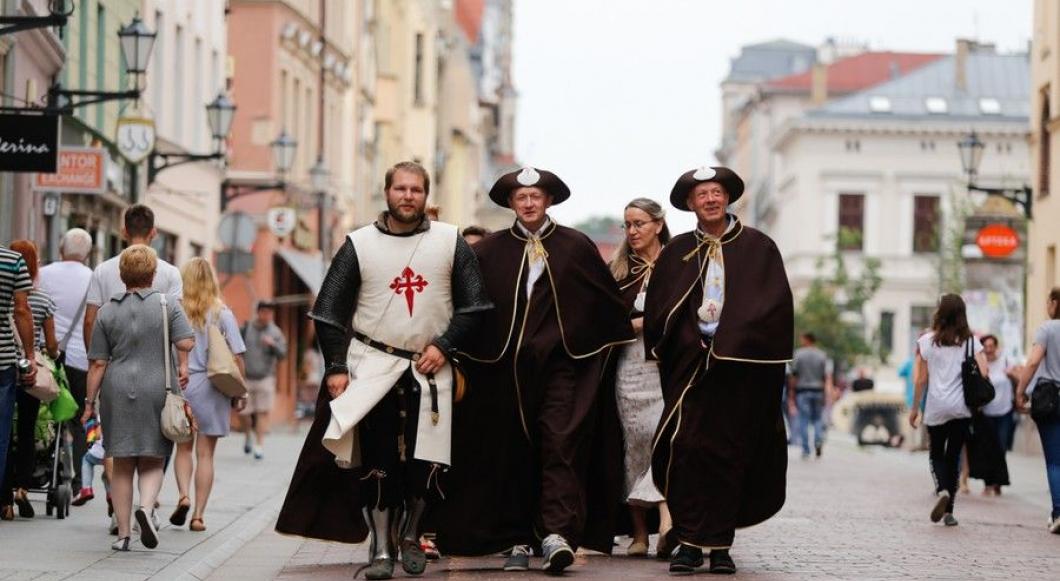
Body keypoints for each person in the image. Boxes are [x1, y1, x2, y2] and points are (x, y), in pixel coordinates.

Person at [275, 161, 491, 581]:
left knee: (428, 458)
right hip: (372, 364)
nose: (408, 196)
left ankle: (411, 533)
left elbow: (476, 306)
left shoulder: (450, 242)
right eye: (400, 189)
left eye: (415, 190)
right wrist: (336, 366)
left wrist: (444, 345)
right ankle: (380, 547)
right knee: (377, 458)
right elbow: (329, 312)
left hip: (430, 365)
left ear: (426, 195)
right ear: (387, 192)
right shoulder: (359, 244)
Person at [435, 166, 634, 574]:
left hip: (563, 368)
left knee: (560, 442)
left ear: (548, 201)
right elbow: (462, 306)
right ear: (511, 203)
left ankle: (557, 533)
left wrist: (588, 348)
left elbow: (606, 303)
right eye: (520, 198)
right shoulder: (487, 251)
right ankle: (517, 538)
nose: (528, 203)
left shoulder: (576, 246)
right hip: (502, 369)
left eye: (535, 196)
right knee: (512, 450)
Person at [644, 166, 793, 575]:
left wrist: (733, 340)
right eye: (702, 195)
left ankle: (720, 544)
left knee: (729, 453)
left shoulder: (759, 248)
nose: (710, 199)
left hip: (739, 374)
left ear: (727, 198)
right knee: (687, 449)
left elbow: (773, 309)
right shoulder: (675, 253)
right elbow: (660, 311)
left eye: (716, 192)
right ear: (690, 204)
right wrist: (690, 340)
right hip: (690, 370)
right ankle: (689, 541)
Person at [81, 245, 195, 551]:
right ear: (154, 274)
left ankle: (123, 535)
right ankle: (145, 508)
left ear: (121, 275)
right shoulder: (167, 304)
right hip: (157, 388)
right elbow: (186, 341)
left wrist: (89, 403)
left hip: (116, 390)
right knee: (152, 458)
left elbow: (97, 363)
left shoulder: (107, 311)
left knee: (121, 464)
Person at [609, 197, 672, 558]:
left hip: (668, 368)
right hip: (630, 368)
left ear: (658, 225)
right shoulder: (618, 270)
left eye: (640, 224)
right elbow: (606, 323)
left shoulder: (679, 263)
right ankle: (638, 535)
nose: (633, 231)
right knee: (634, 447)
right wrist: (643, 323)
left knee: (665, 440)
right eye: (628, 225)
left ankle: (667, 521)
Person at [170, 258, 247, 533]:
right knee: (206, 455)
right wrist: (241, 391)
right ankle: (199, 516)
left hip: (182, 384)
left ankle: (183, 496)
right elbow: (237, 356)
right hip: (213, 388)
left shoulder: (176, 311)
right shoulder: (222, 313)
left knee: (183, 448)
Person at [908, 293, 988, 528]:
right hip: (961, 407)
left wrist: (914, 409)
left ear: (939, 313)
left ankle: (941, 487)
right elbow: (983, 373)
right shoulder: (971, 342)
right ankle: (949, 510)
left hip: (936, 407)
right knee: (954, 457)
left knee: (936, 453)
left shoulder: (927, 341)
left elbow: (921, 379)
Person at [1, 241, 58, 520]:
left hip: (9, 363)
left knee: (6, 432)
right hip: (19, 366)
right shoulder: (40, 296)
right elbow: (48, 339)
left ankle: (6, 497)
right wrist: (38, 355)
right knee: (21, 430)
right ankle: (20, 488)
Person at [38, 228, 94, 499]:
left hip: (45, 358)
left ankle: (41, 466)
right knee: (79, 421)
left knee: (41, 416)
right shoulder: (94, 279)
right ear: (88, 254)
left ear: (61, 250)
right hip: (81, 360)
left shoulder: (44, 273)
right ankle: (81, 482)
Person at [1015, 288, 1060, 534]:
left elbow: (1033, 361)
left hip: (1052, 399)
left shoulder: (1048, 328)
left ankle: (1059, 512)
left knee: (1055, 461)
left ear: (1054, 303)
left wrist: (1020, 390)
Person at [0, 242, 37, 520]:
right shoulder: (13, 261)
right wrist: (30, 355)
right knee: (1, 436)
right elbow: (22, 311)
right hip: (2, 361)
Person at [239, 301, 287, 459]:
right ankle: (248, 436)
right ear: (258, 312)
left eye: (269, 313)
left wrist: (273, 345)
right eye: (264, 312)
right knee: (244, 413)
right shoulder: (246, 329)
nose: (267, 316)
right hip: (246, 378)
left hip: (266, 378)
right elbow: (236, 349)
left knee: (262, 412)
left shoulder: (275, 332)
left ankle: (259, 445)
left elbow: (283, 354)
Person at [974, 334, 1017, 496]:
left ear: (996, 347)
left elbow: (1019, 378)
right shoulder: (980, 364)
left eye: (992, 346)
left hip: (1005, 412)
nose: (989, 349)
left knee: (1001, 447)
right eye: (986, 346)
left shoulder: (1005, 361)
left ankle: (998, 480)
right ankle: (989, 483)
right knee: (987, 449)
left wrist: (1011, 374)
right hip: (986, 413)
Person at [788, 333, 834, 459]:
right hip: (818, 390)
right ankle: (818, 441)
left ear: (807, 340)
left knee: (803, 419)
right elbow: (826, 377)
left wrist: (791, 393)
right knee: (817, 419)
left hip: (803, 390)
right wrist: (826, 393)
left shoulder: (799, 354)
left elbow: (794, 375)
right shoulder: (822, 355)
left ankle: (806, 449)